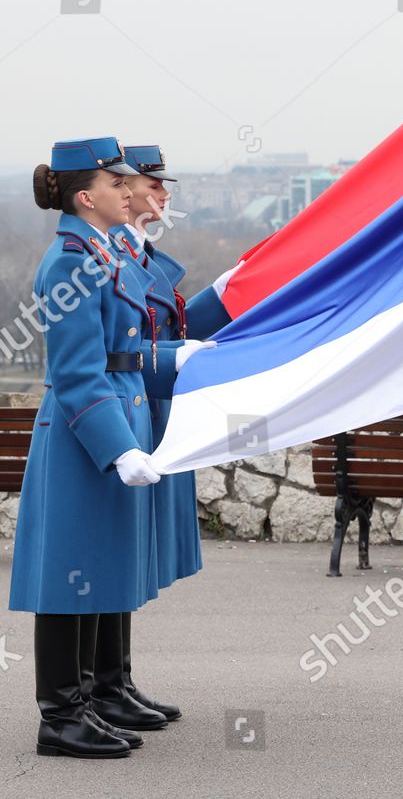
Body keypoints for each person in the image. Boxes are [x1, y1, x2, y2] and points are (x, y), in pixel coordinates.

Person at [10, 137, 199, 758]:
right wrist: (117, 448)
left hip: (116, 421)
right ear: (85, 197)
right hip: (83, 438)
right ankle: (61, 715)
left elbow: (125, 352)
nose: (131, 191)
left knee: (100, 568)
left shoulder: (99, 253)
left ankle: (99, 694)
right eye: (117, 185)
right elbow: (76, 372)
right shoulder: (71, 261)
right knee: (74, 576)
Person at [98, 143, 213, 727]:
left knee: (131, 555)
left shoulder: (140, 252)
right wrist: (176, 357)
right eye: (151, 185)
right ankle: (97, 691)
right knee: (113, 555)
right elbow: (108, 356)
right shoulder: (102, 255)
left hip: (148, 409)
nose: (164, 195)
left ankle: (115, 683)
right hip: (126, 412)